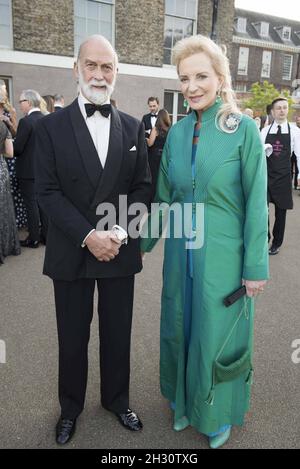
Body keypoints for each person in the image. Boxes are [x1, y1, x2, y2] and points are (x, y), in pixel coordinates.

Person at [140, 35, 269, 449]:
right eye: (184, 78)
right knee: (179, 327)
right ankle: (182, 402)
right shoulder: (175, 133)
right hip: (181, 256)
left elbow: (255, 204)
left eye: (200, 76)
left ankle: (216, 414)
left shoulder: (243, 130)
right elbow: (164, 198)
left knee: (215, 336)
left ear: (220, 77)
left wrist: (255, 269)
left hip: (224, 260)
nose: (191, 86)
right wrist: (132, 243)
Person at [35, 34, 151, 445]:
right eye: (92, 65)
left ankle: (118, 400)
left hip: (118, 248)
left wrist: (117, 233)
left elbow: (142, 190)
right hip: (72, 249)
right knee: (72, 336)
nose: (99, 75)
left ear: (116, 73)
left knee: (118, 332)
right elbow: (45, 191)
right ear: (76, 69)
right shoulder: (50, 127)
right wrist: (88, 235)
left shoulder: (134, 127)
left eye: (107, 67)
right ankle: (70, 408)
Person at [261, 98, 300, 255]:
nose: (282, 110)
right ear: (272, 111)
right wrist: (264, 148)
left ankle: (276, 243)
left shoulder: (295, 131)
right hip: (265, 176)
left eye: (284, 107)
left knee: (280, 213)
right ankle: (264, 238)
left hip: (283, 177)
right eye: (278, 108)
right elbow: (256, 153)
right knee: (263, 210)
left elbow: (299, 154)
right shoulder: (264, 131)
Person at [14, 90, 45, 247]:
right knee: (42, 204)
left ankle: (33, 238)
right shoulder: (47, 119)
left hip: (27, 171)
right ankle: (45, 236)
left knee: (31, 204)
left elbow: (17, 149)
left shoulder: (26, 122)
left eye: (21, 101)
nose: (20, 105)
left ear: (29, 102)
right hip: (43, 170)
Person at [0, 121, 21, 264]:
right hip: (1, 171)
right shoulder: (2, 126)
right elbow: (10, 152)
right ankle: (6, 245)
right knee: (4, 207)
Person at [146, 109, 171, 202]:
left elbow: (150, 144)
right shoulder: (170, 129)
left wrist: (145, 139)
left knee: (153, 180)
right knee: (163, 180)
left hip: (154, 157)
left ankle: (152, 202)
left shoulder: (155, 129)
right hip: (165, 156)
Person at [291, 115, 300, 190]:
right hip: (292, 152)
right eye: (297, 120)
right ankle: (288, 184)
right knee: (290, 168)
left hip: (298, 152)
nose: (298, 122)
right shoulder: (293, 129)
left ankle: (297, 185)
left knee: (297, 169)